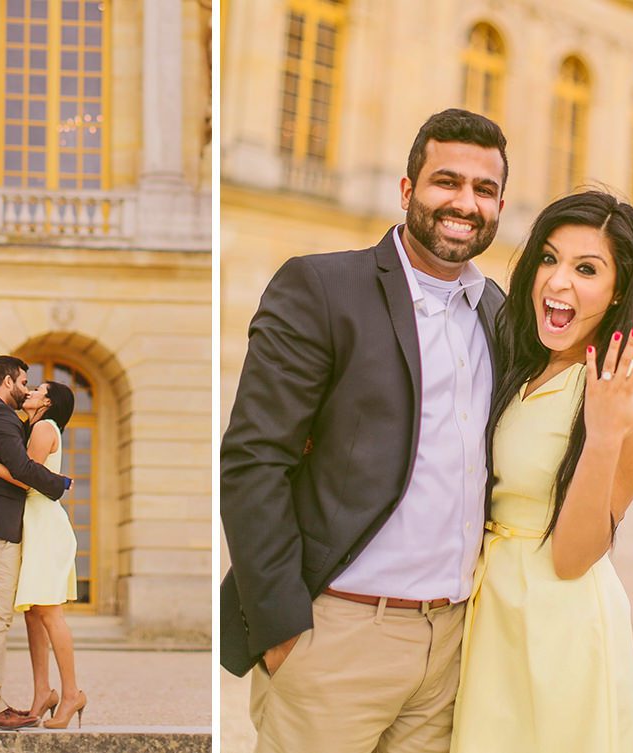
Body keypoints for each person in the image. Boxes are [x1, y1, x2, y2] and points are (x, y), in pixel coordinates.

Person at [221, 108, 508, 753]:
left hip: (455, 649)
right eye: (446, 182)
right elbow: (253, 459)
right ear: (407, 191)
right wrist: (280, 629)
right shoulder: (322, 287)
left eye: (483, 190)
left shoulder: (497, 312)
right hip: (338, 636)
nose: (465, 203)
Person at [449, 191, 633, 753]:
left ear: (619, 289)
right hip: (482, 610)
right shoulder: (516, 360)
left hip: (557, 627)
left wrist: (602, 435)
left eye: (587, 268)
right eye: (548, 259)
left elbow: (575, 556)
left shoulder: (630, 400)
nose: (557, 282)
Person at [0, 356, 72, 731]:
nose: (28, 388)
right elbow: (23, 473)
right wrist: (60, 484)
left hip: (11, 527)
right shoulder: (1, 417)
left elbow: (15, 463)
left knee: (31, 613)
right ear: (8, 381)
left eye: (34, 387)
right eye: (25, 382)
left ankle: (53, 693)